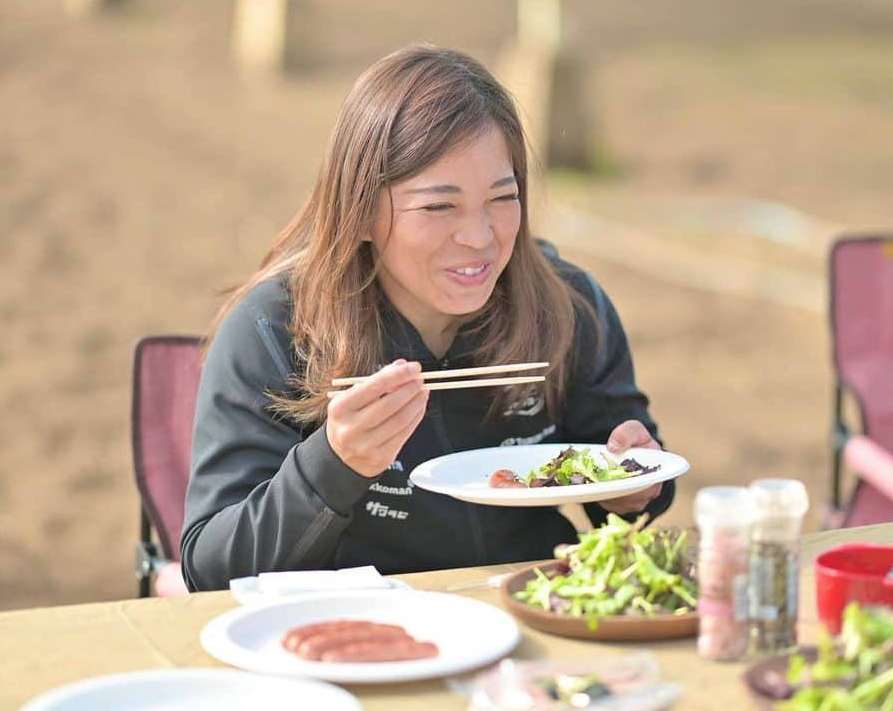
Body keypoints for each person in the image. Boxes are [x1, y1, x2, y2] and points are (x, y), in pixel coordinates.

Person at [180, 44, 675, 592]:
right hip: (360, 632)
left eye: (501, 198)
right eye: (440, 206)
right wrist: (333, 465)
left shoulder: (567, 304)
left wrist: (632, 487)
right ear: (361, 211)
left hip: (534, 604)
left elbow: (630, 479)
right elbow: (210, 568)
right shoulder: (274, 330)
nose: (480, 237)